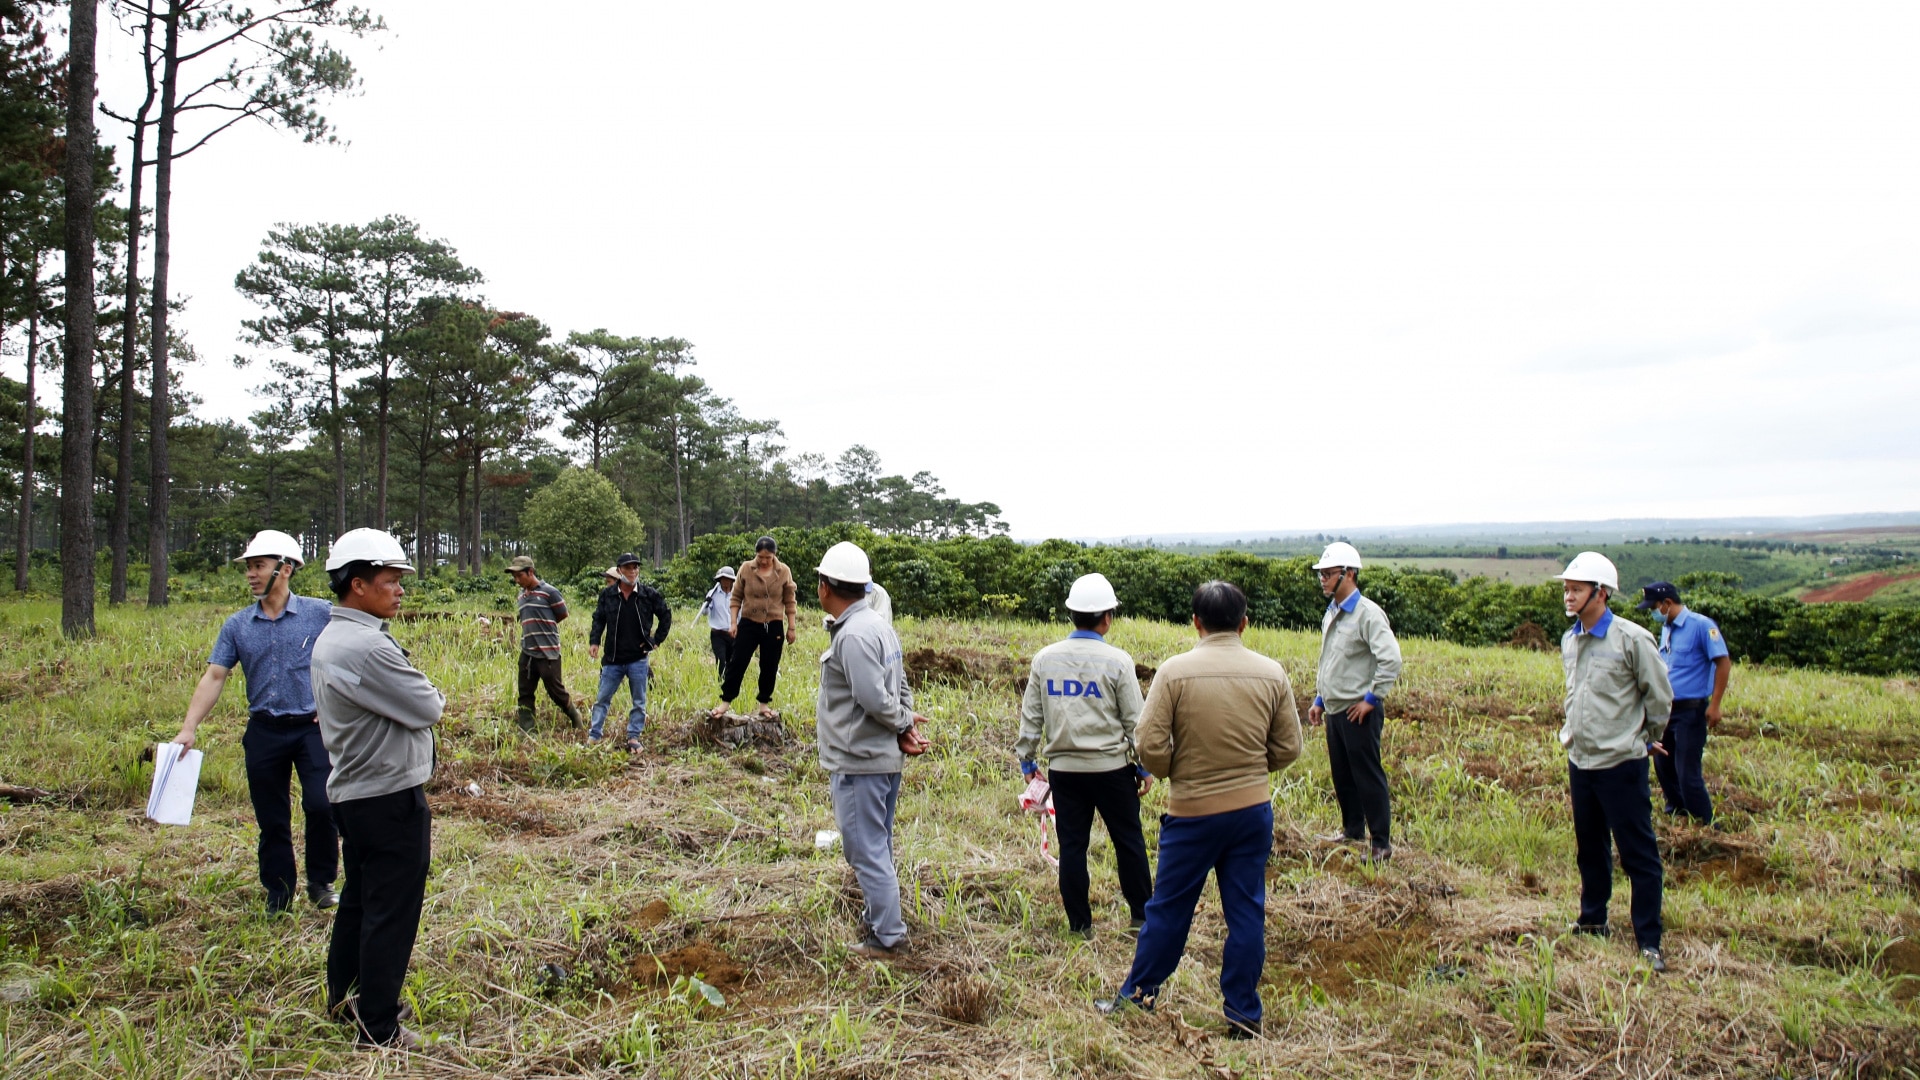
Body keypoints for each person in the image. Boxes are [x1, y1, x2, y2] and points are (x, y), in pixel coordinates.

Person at [1099, 581, 1302, 1039]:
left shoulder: (1174, 672)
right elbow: (1289, 746)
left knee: (1168, 909)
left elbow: (1147, 743)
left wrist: (1176, 771)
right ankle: (1244, 1014)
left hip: (1191, 813)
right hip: (1252, 811)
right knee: (1247, 911)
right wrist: (1252, 770)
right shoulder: (1272, 673)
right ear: (1244, 623)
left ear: (1196, 622)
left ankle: (1139, 996)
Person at [312, 529, 446, 1049]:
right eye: (391, 581)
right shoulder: (368, 646)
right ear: (358, 584)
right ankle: (380, 1025)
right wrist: (428, 690)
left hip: (354, 794)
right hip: (388, 798)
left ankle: (346, 997)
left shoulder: (333, 636)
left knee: (360, 902)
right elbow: (429, 705)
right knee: (391, 909)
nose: (400, 590)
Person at [171, 529, 337, 914]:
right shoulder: (238, 625)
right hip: (264, 731)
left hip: (312, 729)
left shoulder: (319, 613)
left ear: (287, 568)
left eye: (259, 566)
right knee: (271, 817)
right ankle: (278, 893)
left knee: (322, 804)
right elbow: (215, 676)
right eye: (249, 567)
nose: (251, 574)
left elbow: (353, 648)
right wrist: (189, 727)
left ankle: (321, 882)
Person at [1016, 572, 1153, 939]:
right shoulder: (1119, 662)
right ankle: (1142, 918)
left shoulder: (1045, 660)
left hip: (1065, 772)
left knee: (1072, 847)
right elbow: (1135, 723)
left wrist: (1027, 762)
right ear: (1107, 618)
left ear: (1072, 615)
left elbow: (1031, 717)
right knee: (1129, 842)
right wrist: (1144, 767)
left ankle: (1080, 926)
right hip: (1112, 771)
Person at [1555, 552, 1674, 973]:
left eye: (1576, 589)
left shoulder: (1632, 639)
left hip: (1621, 763)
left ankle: (1649, 939)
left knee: (1638, 853)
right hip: (1581, 760)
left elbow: (1659, 698)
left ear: (1600, 593)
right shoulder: (1571, 639)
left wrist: (1646, 738)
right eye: (1566, 588)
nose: (1568, 596)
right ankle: (1593, 919)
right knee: (1590, 847)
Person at [814, 540, 929, 959]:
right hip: (876, 757)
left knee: (864, 847)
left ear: (827, 586)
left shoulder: (855, 635)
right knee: (876, 843)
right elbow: (900, 686)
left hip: (860, 760)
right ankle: (880, 916)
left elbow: (874, 697)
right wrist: (905, 723)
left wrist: (901, 723)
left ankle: (888, 937)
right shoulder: (879, 626)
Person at [1304, 542, 1404, 862]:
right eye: (1321, 574)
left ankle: (1381, 843)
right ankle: (1352, 829)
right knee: (1342, 775)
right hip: (1334, 709)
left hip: (1358, 711)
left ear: (1348, 574)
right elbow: (1330, 661)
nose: (1322, 579)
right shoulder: (1332, 613)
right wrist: (1320, 698)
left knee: (1366, 774)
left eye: (1328, 573)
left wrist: (1371, 699)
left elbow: (1391, 660)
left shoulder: (1368, 614)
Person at [1637, 581, 1731, 824]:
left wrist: (1716, 704)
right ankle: (1677, 811)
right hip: (1666, 709)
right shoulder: (1667, 628)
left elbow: (1723, 662)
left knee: (1687, 771)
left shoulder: (1702, 626)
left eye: (1654, 607)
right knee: (1663, 765)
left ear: (1668, 603)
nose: (1653, 613)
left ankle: (1705, 822)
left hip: (1690, 710)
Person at [588, 552, 673, 750]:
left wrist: (655, 640)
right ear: (619, 571)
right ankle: (594, 735)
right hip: (613, 658)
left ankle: (634, 737)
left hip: (638, 658)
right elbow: (598, 618)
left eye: (635, 567)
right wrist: (595, 641)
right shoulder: (608, 595)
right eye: (628, 568)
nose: (632, 571)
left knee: (638, 701)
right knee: (602, 699)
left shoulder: (648, 595)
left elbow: (665, 615)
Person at [713, 535, 797, 720]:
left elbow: (790, 600)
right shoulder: (746, 568)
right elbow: (736, 597)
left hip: (774, 624)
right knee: (737, 662)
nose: (764, 561)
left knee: (769, 665)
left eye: (768, 557)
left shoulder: (784, 571)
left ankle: (764, 703)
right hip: (749, 623)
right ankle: (725, 701)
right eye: (761, 557)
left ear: (774, 555)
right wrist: (733, 623)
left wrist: (791, 627)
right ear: (756, 555)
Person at [507, 555, 581, 733]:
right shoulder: (521, 596)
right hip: (528, 651)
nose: (517, 580)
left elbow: (562, 614)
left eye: (519, 576)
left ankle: (574, 716)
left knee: (555, 690)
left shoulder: (550, 592)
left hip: (548, 652)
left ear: (530, 572)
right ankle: (527, 728)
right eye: (514, 577)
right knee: (525, 691)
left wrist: (545, 626)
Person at [699, 566, 738, 688]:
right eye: (723, 579)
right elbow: (705, 613)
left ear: (732, 581)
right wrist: (707, 602)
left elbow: (740, 614)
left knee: (732, 661)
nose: (726, 582)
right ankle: (720, 683)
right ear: (720, 580)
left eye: (728, 579)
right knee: (721, 660)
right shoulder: (713, 593)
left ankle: (730, 684)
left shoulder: (737, 595)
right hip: (718, 634)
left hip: (733, 633)